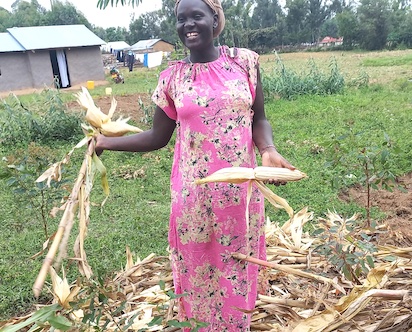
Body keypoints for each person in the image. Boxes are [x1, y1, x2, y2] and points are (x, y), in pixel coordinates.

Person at [94, 0, 295, 330]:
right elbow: (158, 137)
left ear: (214, 18)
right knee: (197, 275)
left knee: (237, 270)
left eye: (196, 16)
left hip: (239, 194)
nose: (188, 24)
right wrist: (106, 142)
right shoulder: (172, 78)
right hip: (193, 196)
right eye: (181, 19)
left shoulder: (244, 62)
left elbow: (259, 119)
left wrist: (268, 150)